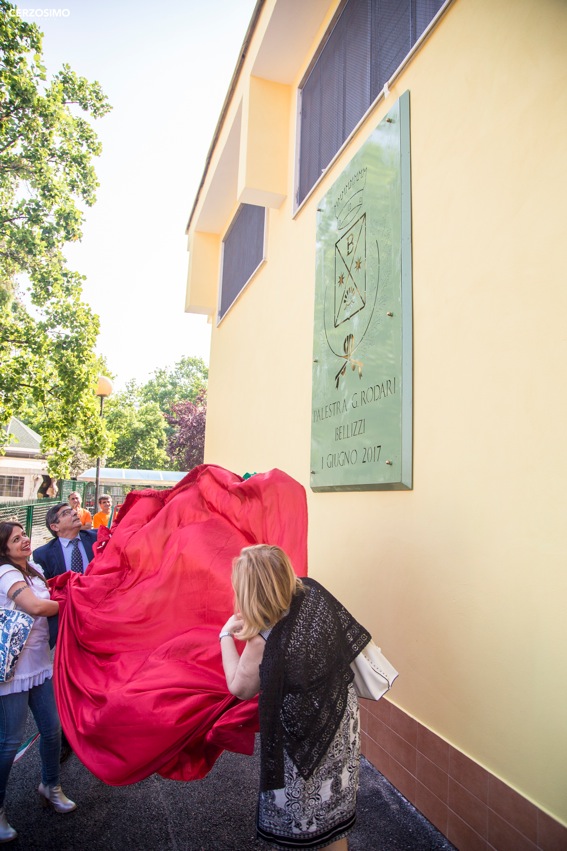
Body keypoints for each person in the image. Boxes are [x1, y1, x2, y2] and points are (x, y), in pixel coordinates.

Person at [220, 544, 371, 851]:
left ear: (249, 591)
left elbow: (240, 688)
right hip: (339, 717)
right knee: (332, 812)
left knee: (304, 817)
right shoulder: (313, 593)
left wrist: (224, 636)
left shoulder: (264, 635)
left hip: (302, 734)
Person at [0, 521, 77, 843]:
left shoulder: (32, 568)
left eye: (24, 535)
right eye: (16, 539)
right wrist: (74, 605)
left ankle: (50, 785)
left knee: (51, 730)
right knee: (8, 743)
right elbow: (35, 606)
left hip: (40, 665)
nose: (24, 540)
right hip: (12, 672)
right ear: (3, 549)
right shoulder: (6, 574)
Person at [33, 504, 97, 580]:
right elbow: (46, 587)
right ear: (55, 527)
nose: (74, 513)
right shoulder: (43, 555)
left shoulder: (98, 537)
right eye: (66, 513)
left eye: (72, 510)